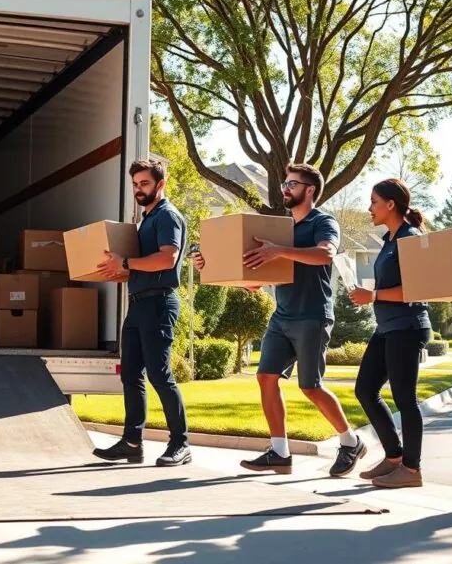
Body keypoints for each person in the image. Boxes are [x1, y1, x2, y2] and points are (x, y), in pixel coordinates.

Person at [194, 163, 365, 476]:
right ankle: (279, 451)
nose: (285, 189)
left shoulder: (322, 222)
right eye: (285, 184)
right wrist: (208, 265)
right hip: (282, 316)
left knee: (310, 386)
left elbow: (325, 254)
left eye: (292, 184)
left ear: (309, 190)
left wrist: (280, 252)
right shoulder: (282, 231)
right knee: (266, 376)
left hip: (312, 315)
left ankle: (350, 442)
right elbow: (254, 281)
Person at [92, 159, 192, 467]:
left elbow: (167, 259)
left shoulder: (167, 217)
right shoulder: (145, 221)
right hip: (138, 303)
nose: (138, 189)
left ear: (160, 184)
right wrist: (121, 272)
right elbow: (140, 266)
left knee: (160, 375)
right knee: (131, 374)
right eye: (135, 184)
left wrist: (126, 264)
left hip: (159, 303)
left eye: (144, 184)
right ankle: (132, 443)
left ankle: (181, 444)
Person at [348, 179, 431, 488]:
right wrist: (366, 294)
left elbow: (417, 289)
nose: (369, 208)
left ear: (391, 204)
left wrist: (373, 296)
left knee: (405, 399)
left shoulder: (410, 238)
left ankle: (411, 470)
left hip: (407, 327)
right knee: (365, 389)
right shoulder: (390, 239)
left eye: (374, 202)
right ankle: (394, 456)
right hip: (387, 327)